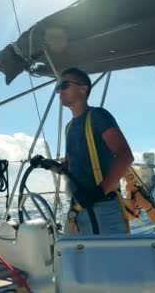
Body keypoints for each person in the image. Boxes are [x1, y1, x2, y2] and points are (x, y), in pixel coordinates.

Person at [52, 67, 134, 235]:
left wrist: (100, 191)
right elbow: (69, 166)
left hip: (104, 209)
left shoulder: (98, 116)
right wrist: (49, 165)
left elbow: (125, 156)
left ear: (83, 89)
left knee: (109, 261)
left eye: (64, 85)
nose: (59, 91)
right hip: (79, 209)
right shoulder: (69, 127)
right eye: (58, 88)